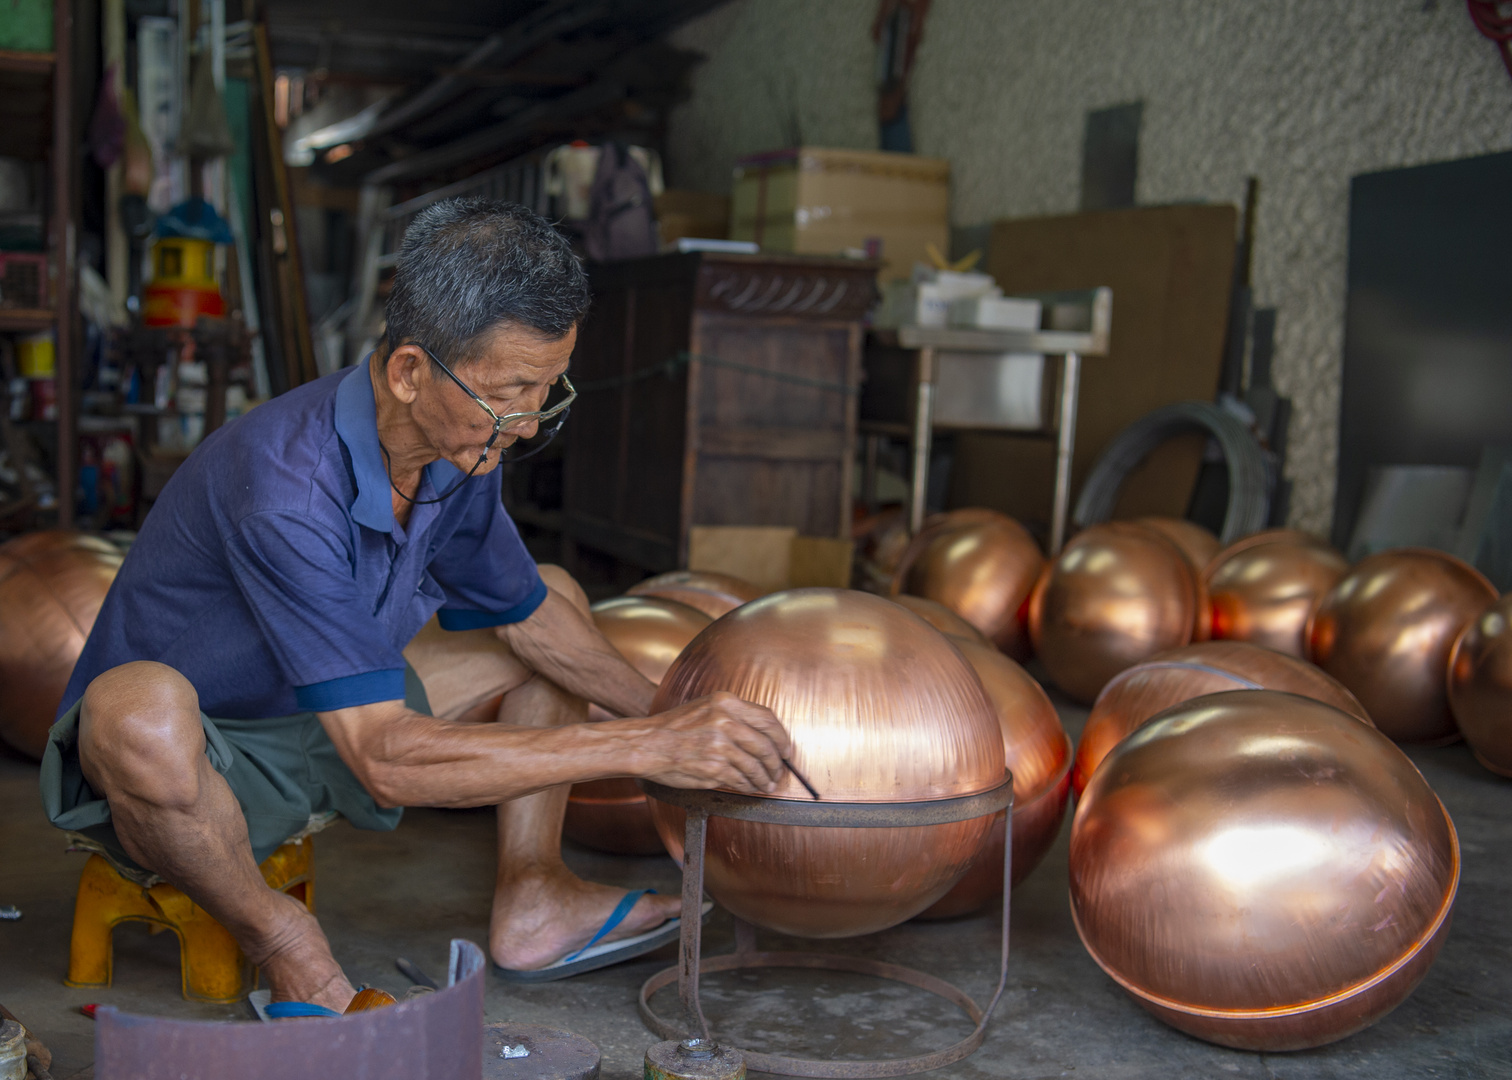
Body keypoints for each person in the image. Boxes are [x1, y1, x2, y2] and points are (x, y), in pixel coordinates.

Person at [39, 198, 790, 1014]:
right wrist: (646, 747)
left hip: (319, 716)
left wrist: (692, 731)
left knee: (556, 599)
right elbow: (385, 758)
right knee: (135, 713)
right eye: (512, 393)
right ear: (408, 372)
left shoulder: (460, 444)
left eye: (547, 389)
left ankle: (535, 896)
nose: (530, 422)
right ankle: (285, 943)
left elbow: (529, 615)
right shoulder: (286, 487)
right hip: (203, 763)